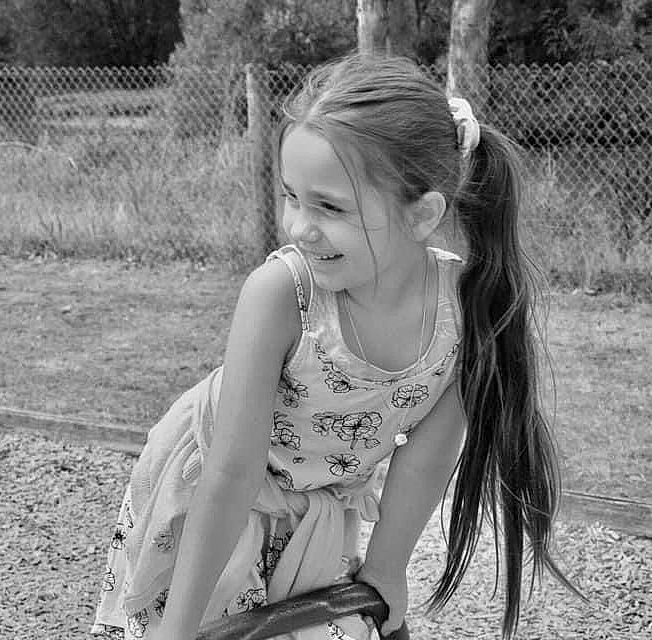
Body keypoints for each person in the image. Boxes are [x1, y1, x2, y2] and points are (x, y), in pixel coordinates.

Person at [91, 53, 578, 640]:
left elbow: (426, 455)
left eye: (329, 207)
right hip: (209, 501)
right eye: (292, 197)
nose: (299, 226)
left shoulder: (465, 312)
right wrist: (177, 629)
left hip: (317, 513)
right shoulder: (281, 294)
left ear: (421, 215)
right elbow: (231, 472)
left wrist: (386, 569)